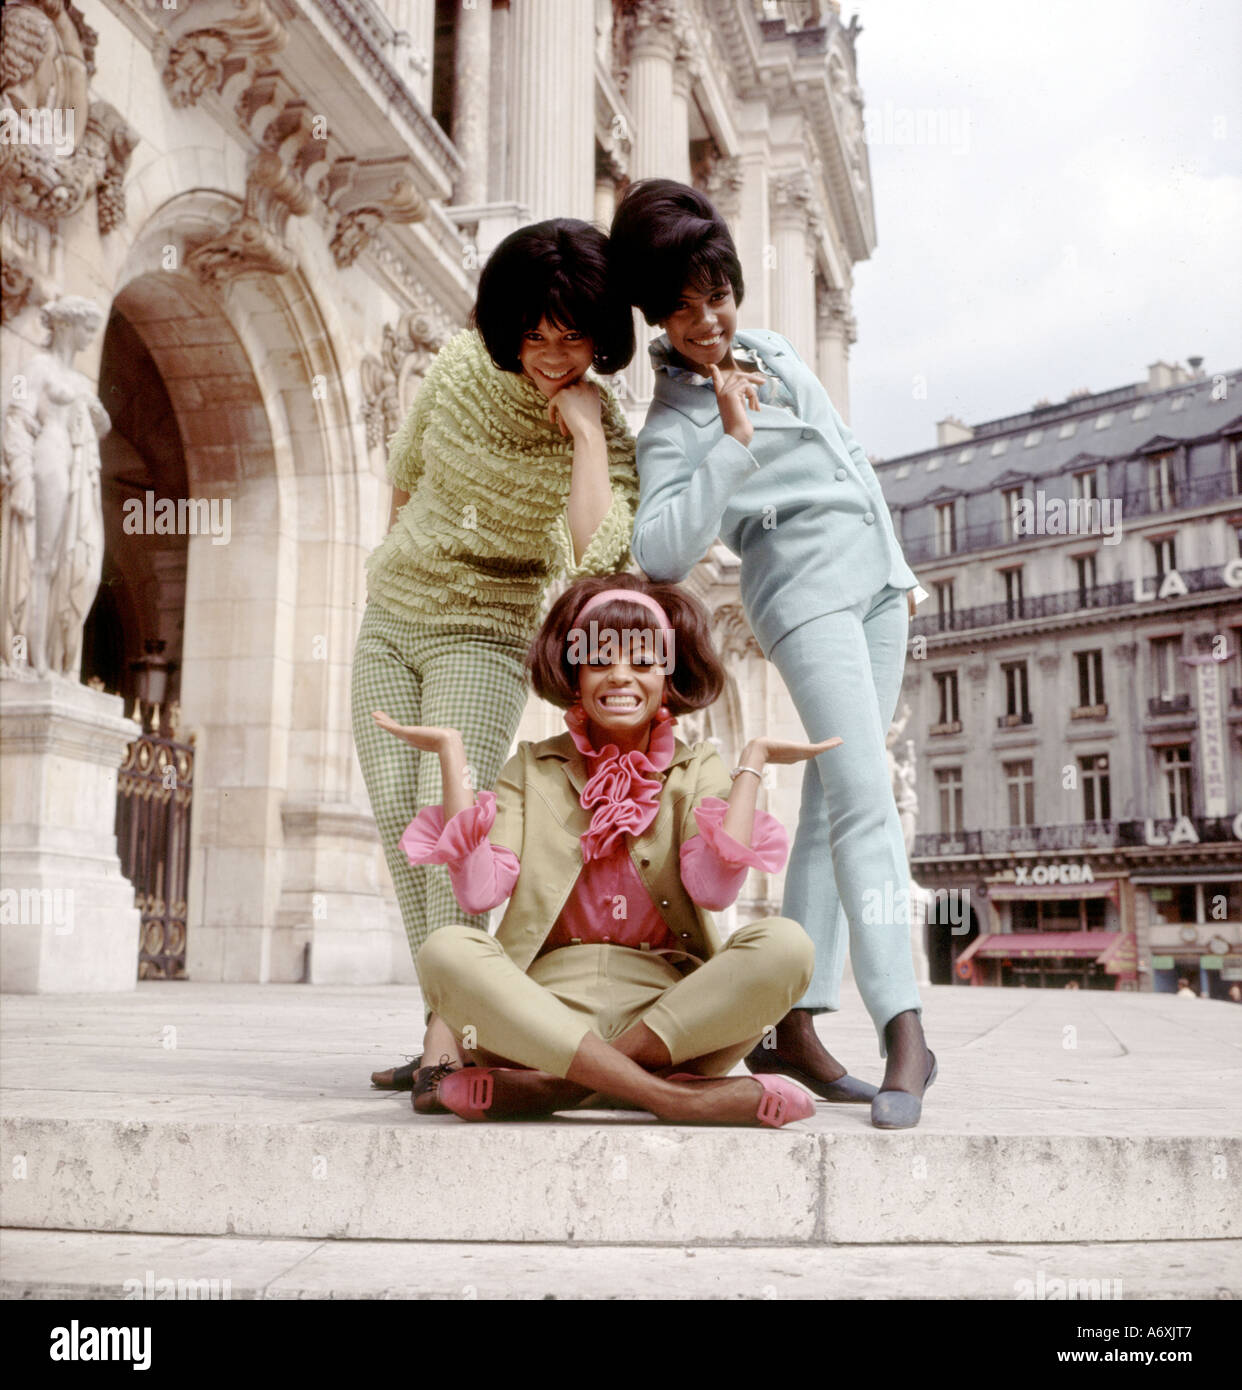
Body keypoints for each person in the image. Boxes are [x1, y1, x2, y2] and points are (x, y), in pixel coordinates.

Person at [609, 179, 936, 1129]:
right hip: (804, 596)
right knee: (866, 796)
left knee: (838, 796)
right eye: (682, 306)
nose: (708, 320)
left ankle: (793, 1020)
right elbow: (662, 548)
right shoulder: (673, 426)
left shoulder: (781, 349)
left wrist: (900, 570)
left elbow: (848, 456)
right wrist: (734, 443)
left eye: (718, 295)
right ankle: (905, 1028)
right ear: (654, 314)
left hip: (877, 584)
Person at [372, 574, 828, 1126]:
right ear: (574, 672)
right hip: (544, 1013)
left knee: (787, 944)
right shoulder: (531, 766)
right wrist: (452, 758)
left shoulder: (696, 767)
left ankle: (562, 1086)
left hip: (669, 1018)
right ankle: (673, 1099)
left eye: (642, 661)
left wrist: (751, 764)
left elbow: (712, 889)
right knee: (447, 949)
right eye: (599, 659)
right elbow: (479, 891)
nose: (620, 676)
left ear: (668, 675)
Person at [353, 220, 638, 1098]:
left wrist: (586, 435)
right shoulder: (453, 371)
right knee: (404, 826)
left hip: (488, 626)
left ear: (603, 337)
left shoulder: (601, 428)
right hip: (393, 615)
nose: (552, 358)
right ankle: (449, 1015)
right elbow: (404, 473)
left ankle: (454, 1036)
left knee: (454, 820)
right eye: (534, 336)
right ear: (504, 325)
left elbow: (598, 560)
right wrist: (397, 565)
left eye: (573, 339)